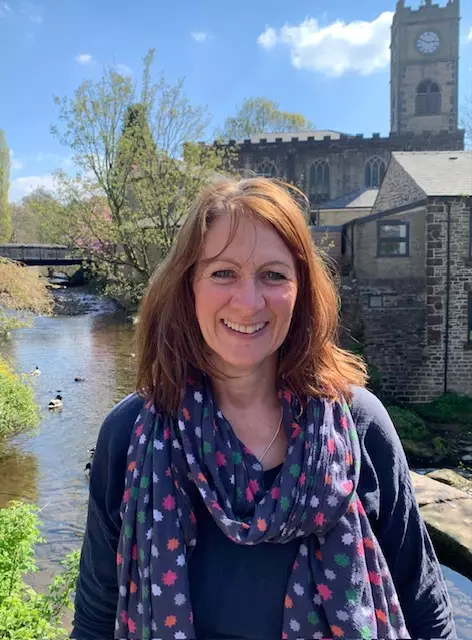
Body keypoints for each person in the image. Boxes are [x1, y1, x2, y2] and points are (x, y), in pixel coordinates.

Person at [71, 177, 456, 640]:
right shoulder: (130, 433)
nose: (249, 302)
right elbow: (95, 619)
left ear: (301, 290)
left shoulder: (360, 426)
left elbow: (426, 609)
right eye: (223, 273)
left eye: (273, 275)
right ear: (187, 286)